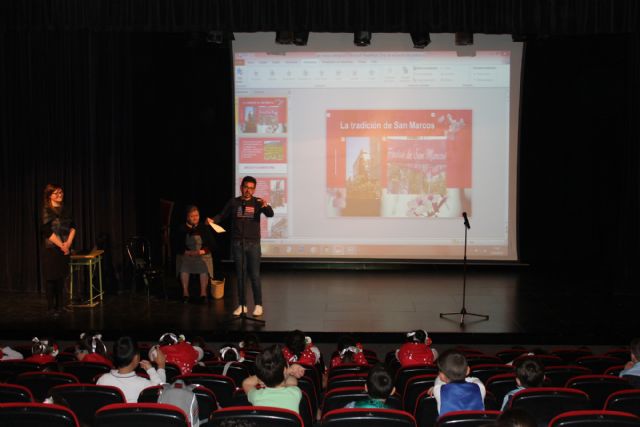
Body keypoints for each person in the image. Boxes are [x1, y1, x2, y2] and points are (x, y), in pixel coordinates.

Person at [209, 176, 274, 317]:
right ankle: (242, 305)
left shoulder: (257, 202)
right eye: (246, 187)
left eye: (251, 188)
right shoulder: (234, 202)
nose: (248, 190)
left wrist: (266, 205)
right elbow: (222, 215)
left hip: (253, 244)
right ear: (241, 187)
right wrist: (213, 220)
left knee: (255, 275)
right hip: (238, 244)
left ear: (254, 189)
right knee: (240, 276)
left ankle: (258, 305)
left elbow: (270, 214)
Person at [40, 183, 76, 316]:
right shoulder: (46, 210)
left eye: (61, 192)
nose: (59, 195)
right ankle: (51, 308)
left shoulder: (66, 209)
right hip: (51, 249)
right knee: (51, 279)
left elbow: (73, 226)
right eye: (56, 193)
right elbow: (46, 231)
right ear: (50, 196)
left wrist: (68, 243)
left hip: (64, 248)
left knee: (61, 278)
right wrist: (62, 245)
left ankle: (60, 306)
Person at [97, 336, 166, 403]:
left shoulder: (102, 380)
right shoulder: (143, 384)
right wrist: (160, 366)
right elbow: (161, 392)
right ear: (136, 358)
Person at [242, 345, 304, 413]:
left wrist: (264, 375)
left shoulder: (256, 396)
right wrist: (288, 371)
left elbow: (246, 383)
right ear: (284, 371)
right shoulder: (295, 393)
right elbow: (293, 382)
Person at [173, 205, 217, 304]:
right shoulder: (181, 228)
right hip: (187, 254)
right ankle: (185, 293)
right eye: (192, 216)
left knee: (204, 266)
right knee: (184, 265)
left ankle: (203, 293)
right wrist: (187, 252)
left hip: (201, 254)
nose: (195, 218)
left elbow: (212, 244)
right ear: (187, 217)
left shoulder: (203, 227)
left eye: (196, 215)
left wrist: (202, 251)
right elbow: (176, 245)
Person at [429, 349, 485, 416]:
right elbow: (475, 379)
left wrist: (435, 387)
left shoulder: (438, 390)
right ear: (468, 370)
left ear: (441, 376)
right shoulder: (480, 387)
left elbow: (439, 380)